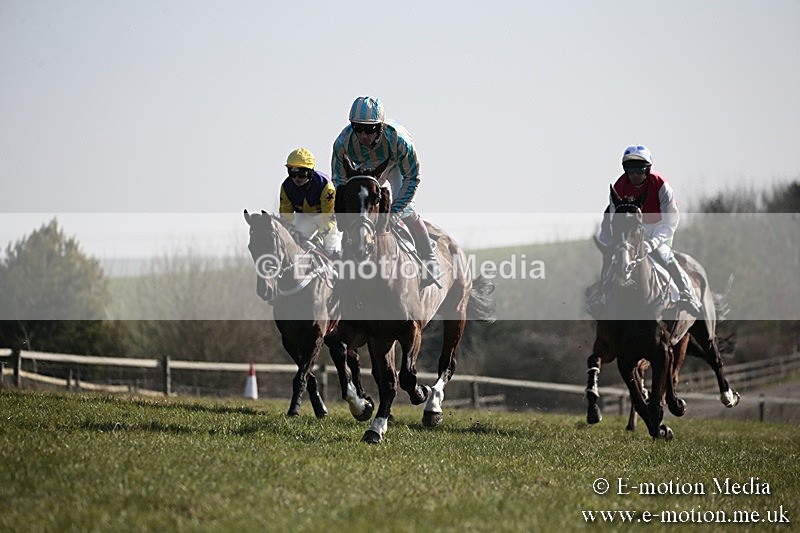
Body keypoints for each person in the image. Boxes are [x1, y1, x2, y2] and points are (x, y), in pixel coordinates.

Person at [331, 95, 443, 284]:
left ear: (380, 127)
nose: (363, 135)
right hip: (364, 171)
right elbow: (339, 180)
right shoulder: (342, 143)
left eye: (369, 129)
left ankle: (429, 258)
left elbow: (412, 177)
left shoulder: (399, 141)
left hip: (396, 166)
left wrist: (395, 209)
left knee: (405, 211)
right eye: (358, 129)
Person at [590, 144, 701, 316]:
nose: (634, 175)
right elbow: (613, 219)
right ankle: (602, 295)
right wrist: (614, 243)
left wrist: (652, 243)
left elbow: (671, 221)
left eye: (639, 170)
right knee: (614, 258)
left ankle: (688, 293)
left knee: (665, 254)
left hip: (660, 229)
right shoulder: (618, 187)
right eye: (630, 170)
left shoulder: (661, 185)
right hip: (630, 231)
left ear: (647, 170)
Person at [279, 147, 341, 258]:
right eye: (292, 173)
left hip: (326, 218)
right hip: (304, 217)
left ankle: (340, 271)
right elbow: (286, 218)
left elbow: (329, 218)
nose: (297, 178)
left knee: (332, 251)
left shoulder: (325, 186)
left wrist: (319, 238)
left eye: (302, 174)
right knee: (294, 245)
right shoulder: (286, 187)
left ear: (310, 172)